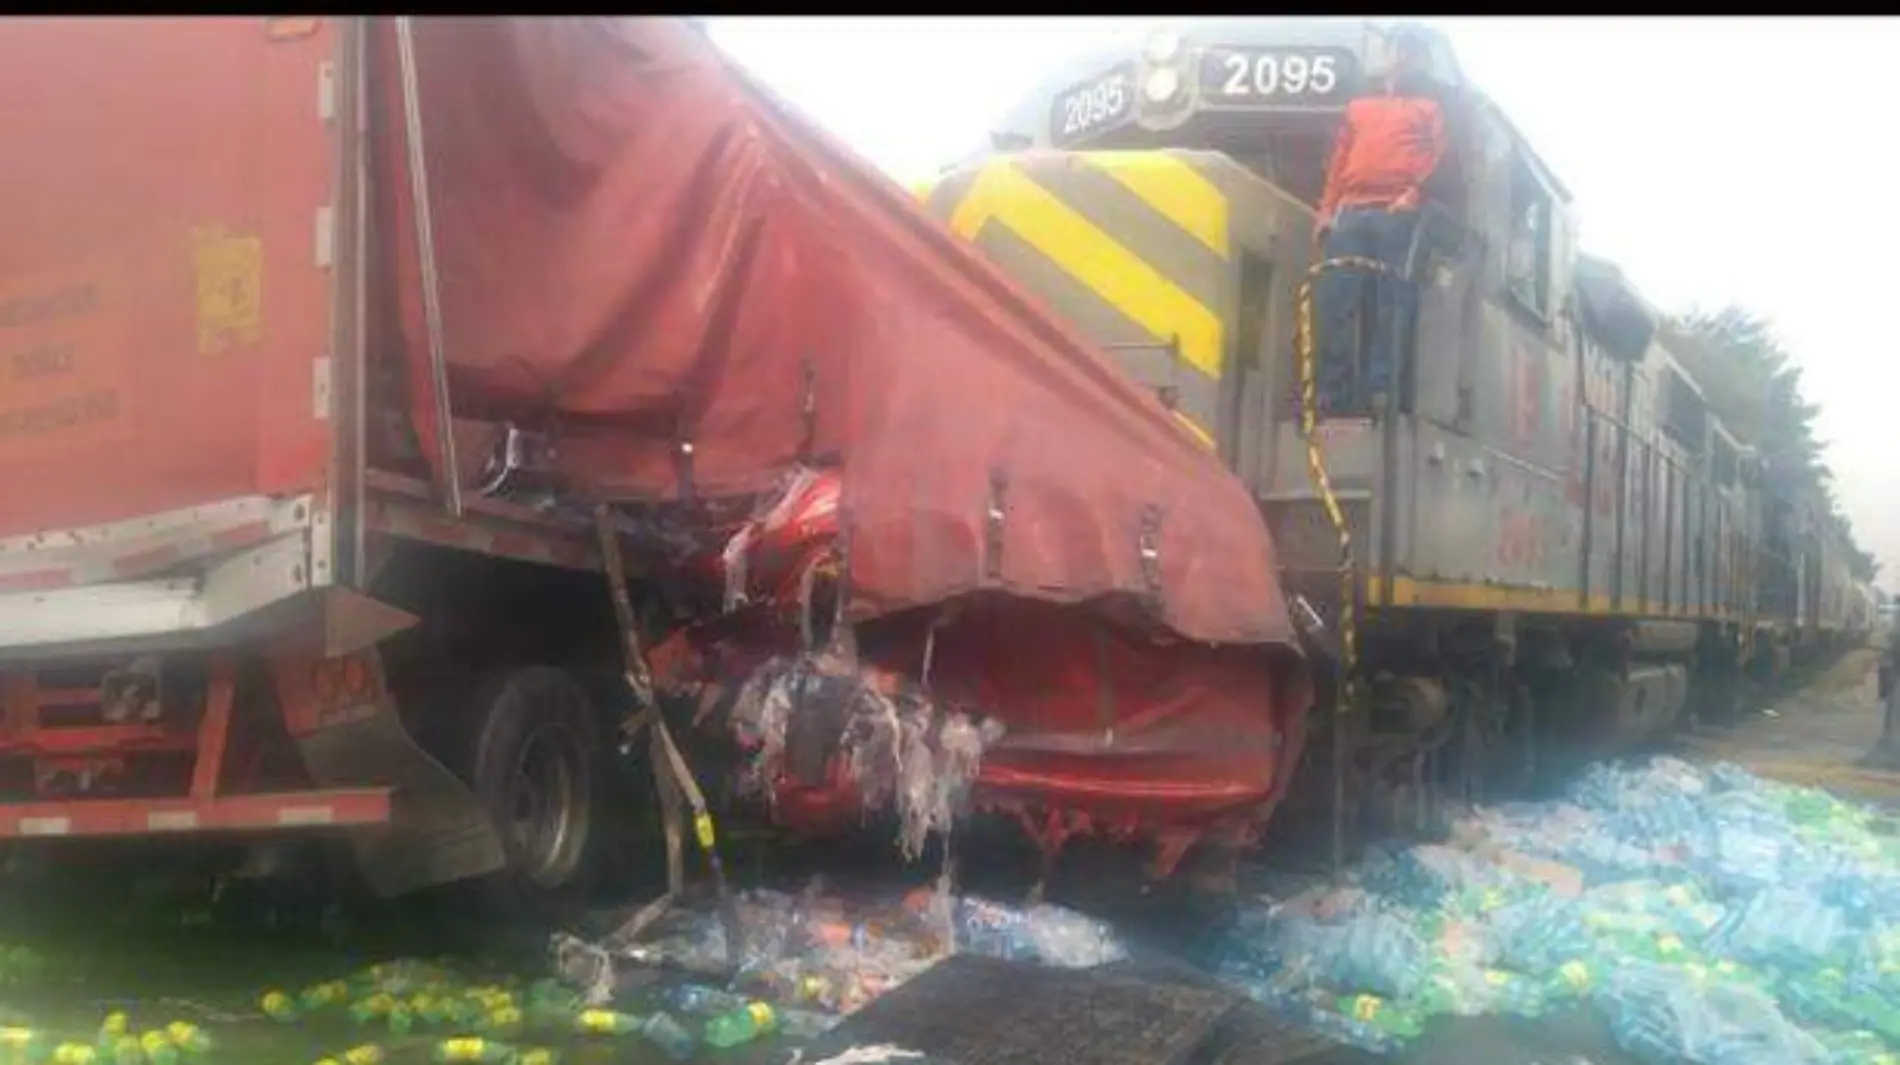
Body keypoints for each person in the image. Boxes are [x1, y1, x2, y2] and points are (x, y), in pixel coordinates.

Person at [1311, 28, 1451, 417]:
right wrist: (1326, 210)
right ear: (1387, 54)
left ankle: (1379, 392)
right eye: (1398, 48)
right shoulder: (1358, 107)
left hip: (1397, 212)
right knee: (1336, 301)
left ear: (1421, 59)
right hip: (1351, 212)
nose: (1403, 56)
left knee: (1392, 303)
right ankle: (1332, 392)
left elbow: (1441, 160)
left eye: (1412, 50)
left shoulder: (1431, 107)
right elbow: (1339, 161)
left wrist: (1413, 196)